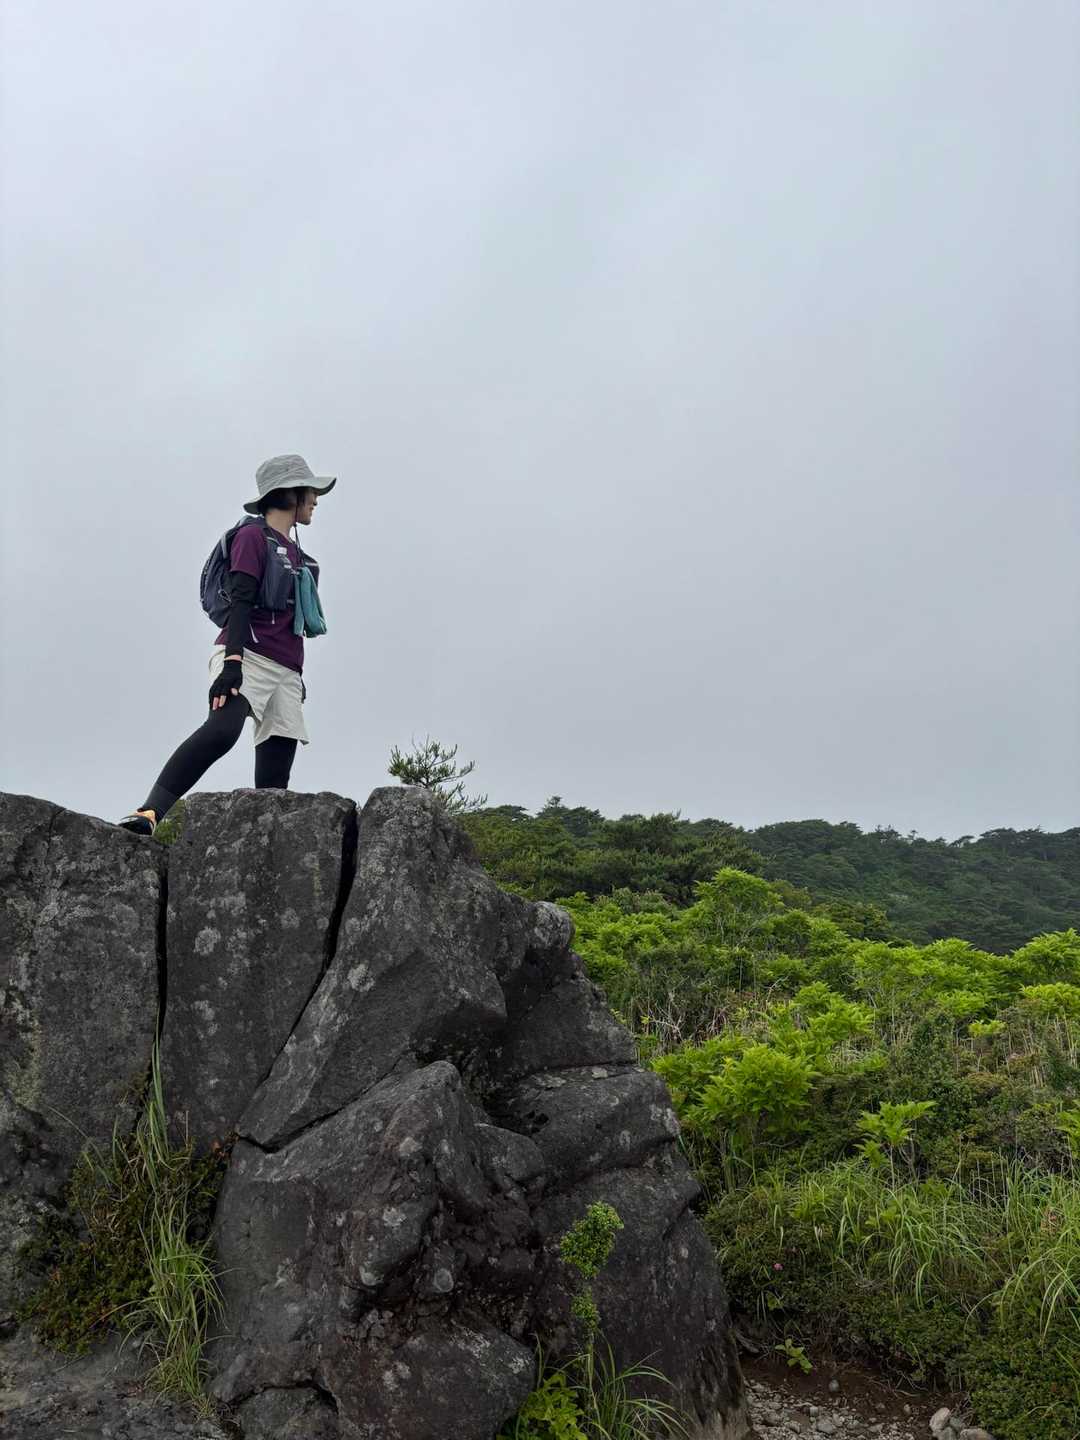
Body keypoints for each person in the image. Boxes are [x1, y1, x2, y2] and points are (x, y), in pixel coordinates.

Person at [118, 454, 335, 836]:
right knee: (221, 731)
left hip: (286, 670)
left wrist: (296, 675)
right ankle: (149, 812)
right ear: (289, 493)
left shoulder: (300, 556)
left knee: (275, 776)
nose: (315, 499)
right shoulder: (252, 537)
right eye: (310, 491)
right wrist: (231, 664)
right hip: (246, 654)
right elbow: (241, 600)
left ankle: (261, 848)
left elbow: (293, 623)